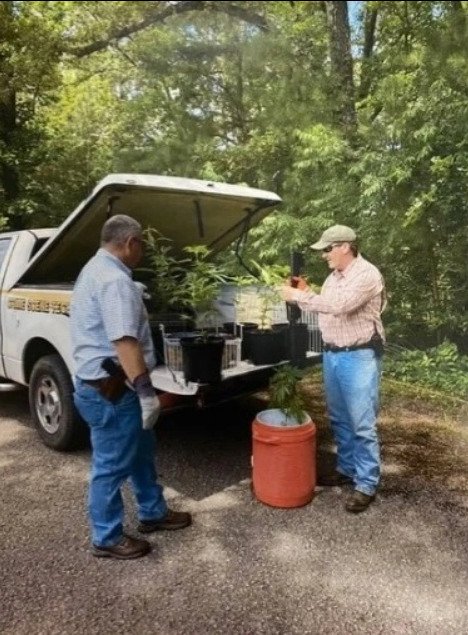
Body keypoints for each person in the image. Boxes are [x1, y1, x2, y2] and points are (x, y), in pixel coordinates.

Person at [70, 214, 191, 559]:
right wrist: (146, 392)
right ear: (130, 243)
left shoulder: (95, 269)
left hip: (103, 386)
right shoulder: (114, 281)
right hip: (114, 391)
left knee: (140, 453)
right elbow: (124, 342)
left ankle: (153, 513)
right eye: (141, 247)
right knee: (110, 467)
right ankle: (106, 538)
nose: (142, 253)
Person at [281, 225, 386, 513]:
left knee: (362, 423)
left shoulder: (366, 274)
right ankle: (347, 468)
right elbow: (324, 306)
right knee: (339, 418)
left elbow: (340, 306)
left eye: (328, 249)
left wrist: (297, 296)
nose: (324, 255)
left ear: (344, 247)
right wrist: (306, 292)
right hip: (333, 355)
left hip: (359, 356)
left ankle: (366, 484)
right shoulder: (333, 277)